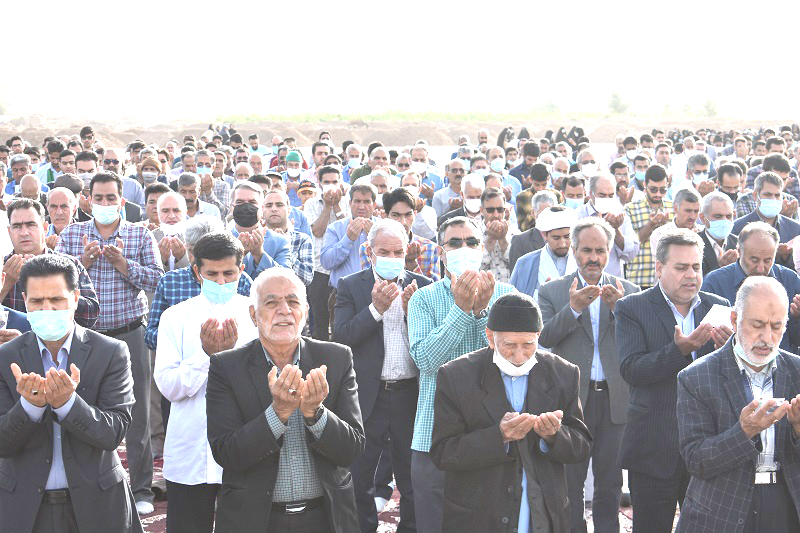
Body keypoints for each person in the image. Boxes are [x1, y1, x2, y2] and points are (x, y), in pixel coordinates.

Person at [206, 267, 365, 532]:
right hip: (255, 520)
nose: (284, 310)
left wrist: (316, 414)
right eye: (271, 303)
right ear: (253, 315)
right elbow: (227, 453)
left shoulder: (336, 359)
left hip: (326, 517)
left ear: (306, 311)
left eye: (293, 301)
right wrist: (278, 413)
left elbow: (352, 448)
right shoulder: (226, 367)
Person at [0, 254, 144, 532]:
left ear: (76, 298)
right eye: (37, 301)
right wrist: (30, 407)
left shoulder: (110, 352)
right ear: (25, 301)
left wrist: (67, 404)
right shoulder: (6, 357)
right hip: (25, 508)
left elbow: (113, 433)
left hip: (97, 504)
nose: (47, 309)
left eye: (57, 300)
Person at [430, 292, 591, 533]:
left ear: (538, 336)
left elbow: (582, 446)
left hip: (543, 515)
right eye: (509, 345)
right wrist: (499, 436)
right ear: (490, 337)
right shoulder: (456, 376)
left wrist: (554, 436)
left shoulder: (564, 373)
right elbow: (443, 452)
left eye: (528, 345)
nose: (519, 356)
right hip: (480, 517)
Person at [56, 172, 164, 514]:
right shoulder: (72, 235)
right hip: (84, 337)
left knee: (137, 414)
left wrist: (124, 265)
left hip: (129, 333)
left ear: (122, 201)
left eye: (111, 198)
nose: (104, 204)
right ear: (88, 200)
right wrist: (82, 264)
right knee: (81, 409)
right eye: (98, 198)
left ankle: (142, 489)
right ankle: (86, 487)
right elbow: (55, 279)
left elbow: (158, 280)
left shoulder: (139, 234)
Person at [615, 229, 732, 533]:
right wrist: (680, 350)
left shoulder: (718, 306)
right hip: (654, 447)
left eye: (696, 267)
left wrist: (730, 350)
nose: (691, 275)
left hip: (708, 446)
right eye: (681, 267)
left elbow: (732, 375)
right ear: (659, 268)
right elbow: (631, 369)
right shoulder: (632, 307)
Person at [407, 216, 516, 533]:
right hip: (434, 434)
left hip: (492, 431)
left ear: (482, 249)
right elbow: (426, 361)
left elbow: (514, 359)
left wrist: (481, 314)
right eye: (454, 243)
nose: (463, 248)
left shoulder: (506, 295)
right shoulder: (423, 298)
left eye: (471, 242)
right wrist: (461, 310)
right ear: (441, 252)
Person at [538, 217, 640, 533]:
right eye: (586, 250)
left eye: (600, 251)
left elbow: (640, 341)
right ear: (574, 250)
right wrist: (573, 310)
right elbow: (544, 338)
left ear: (609, 252)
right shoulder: (552, 291)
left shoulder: (629, 292)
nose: (593, 258)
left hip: (614, 399)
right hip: (572, 401)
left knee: (610, 481)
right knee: (570, 481)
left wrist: (621, 309)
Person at [676, 276, 800, 533]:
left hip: (787, 504)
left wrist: (798, 430)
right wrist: (744, 432)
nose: (767, 337)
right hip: (721, 509)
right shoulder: (696, 376)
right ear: (734, 320)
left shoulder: (796, 371)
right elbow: (696, 460)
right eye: (757, 325)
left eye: (777, 326)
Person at [333, 218, 433, 533]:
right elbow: (342, 337)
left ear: (407, 251)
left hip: (410, 394)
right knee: (359, 475)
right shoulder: (351, 285)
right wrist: (375, 309)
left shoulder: (423, 286)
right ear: (369, 252)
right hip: (367, 395)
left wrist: (411, 313)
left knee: (412, 476)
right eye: (384, 252)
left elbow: (433, 342)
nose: (391, 257)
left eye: (398, 252)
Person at [155, 233, 258, 533]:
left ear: (241, 270)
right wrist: (205, 355)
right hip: (190, 448)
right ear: (197, 272)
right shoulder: (175, 317)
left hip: (244, 447)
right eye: (212, 274)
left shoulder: (255, 316)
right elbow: (169, 386)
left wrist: (228, 359)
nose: (221, 282)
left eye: (229, 273)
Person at [702, 221, 800, 352]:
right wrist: (726, 345)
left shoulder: (790, 280)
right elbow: (702, 343)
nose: (760, 268)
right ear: (739, 251)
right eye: (754, 260)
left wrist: (797, 317)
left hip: (780, 363)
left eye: (768, 260)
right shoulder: (714, 283)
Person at [1, 198, 99, 329]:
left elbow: (91, 315)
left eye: (31, 225)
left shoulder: (69, 264)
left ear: (45, 228)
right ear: (9, 231)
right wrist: (5, 285)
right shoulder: (2, 267)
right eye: (17, 226)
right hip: (12, 341)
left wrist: (59, 289)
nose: (24, 233)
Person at [305, 165, 349, 340]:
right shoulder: (311, 203)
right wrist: (327, 206)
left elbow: (348, 231)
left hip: (343, 267)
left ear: (341, 183)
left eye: (334, 182)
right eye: (326, 182)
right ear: (319, 183)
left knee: (342, 317)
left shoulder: (347, 202)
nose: (331, 186)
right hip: (319, 269)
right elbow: (317, 230)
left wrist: (336, 205)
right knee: (319, 317)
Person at [732, 172, 800, 270]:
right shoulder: (738, 227)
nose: (773, 199)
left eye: (777, 195)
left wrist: (786, 257)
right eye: (768, 194)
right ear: (755, 195)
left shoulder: (795, 228)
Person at [576, 173, 640, 278]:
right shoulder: (578, 215)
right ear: (591, 194)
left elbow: (631, 254)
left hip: (612, 282)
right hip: (583, 281)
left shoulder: (620, 216)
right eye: (602, 195)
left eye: (611, 196)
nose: (606, 199)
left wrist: (616, 230)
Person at [510, 206, 578, 300]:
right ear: (544, 235)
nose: (562, 244)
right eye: (556, 238)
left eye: (567, 237)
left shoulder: (582, 260)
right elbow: (514, 301)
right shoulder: (525, 263)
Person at [321, 183, 380, 291]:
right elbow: (327, 263)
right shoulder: (335, 228)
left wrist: (375, 238)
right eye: (357, 201)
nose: (361, 207)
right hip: (343, 293)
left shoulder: (383, 227)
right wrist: (348, 239)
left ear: (374, 204)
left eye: (367, 202)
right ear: (350, 203)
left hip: (376, 291)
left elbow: (390, 260)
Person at [625, 163, 674, 289]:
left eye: (662, 190)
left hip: (667, 280)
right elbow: (629, 246)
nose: (658, 194)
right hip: (639, 277)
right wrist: (651, 225)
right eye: (653, 189)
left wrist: (665, 227)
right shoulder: (631, 209)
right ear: (644, 185)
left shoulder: (673, 208)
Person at [229, 181, 292, 278]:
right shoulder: (219, 239)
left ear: (262, 208)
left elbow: (286, 278)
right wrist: (238, 256)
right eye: (240, 202)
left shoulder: (280, 241)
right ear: (231, 207)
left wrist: (259, 255)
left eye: (252, 202)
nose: (246, 207)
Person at [263, 189, 314, 285]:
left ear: (289, 210)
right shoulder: (256, 238)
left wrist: (285, 248)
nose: (274, 209)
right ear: (262, 210)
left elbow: (307, 277)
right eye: (269, 205)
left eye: (279, 205)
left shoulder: (302, 239)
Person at [509, 190, 557, 271]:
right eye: (543, 214)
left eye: (551, 212)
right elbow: (516, 274)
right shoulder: (521, 241)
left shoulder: (565, 238)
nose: (548, 217)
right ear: (533, 213)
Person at [650, 188, 702, 257]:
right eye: (688, 211)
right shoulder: (660, 234)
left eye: (696, 211)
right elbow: (662, 262)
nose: (692, 216)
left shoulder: (703, 232)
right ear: (676, 209)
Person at [698, 191, 738, 275]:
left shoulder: (738, 243)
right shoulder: (693, 245)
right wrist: (720, 268)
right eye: (718, 216)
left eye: (728, 216)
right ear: (702, 218)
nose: (724, 221)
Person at [480, 187, 516, 282]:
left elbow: (518, 266)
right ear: (481, 210)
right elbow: (475, 267)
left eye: (500, 210)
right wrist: (490, 240)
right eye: (490, 210)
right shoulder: (474, 234)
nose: (496, 215)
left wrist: (503, 240)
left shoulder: (515, 234)